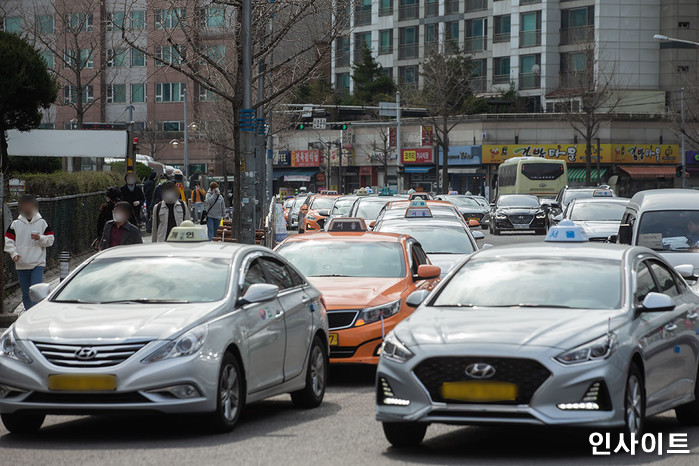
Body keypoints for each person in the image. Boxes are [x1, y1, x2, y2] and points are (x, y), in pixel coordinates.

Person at [4, 194, 55, 310]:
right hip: (22, 263)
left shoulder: (42, 222)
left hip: (38, 263)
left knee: (36, 292)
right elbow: (8, 241)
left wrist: (40, 238)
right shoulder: (16, 224)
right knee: (26, 294)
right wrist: (14, 253)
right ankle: (28, 315)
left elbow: (51, 239)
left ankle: (35, 315)